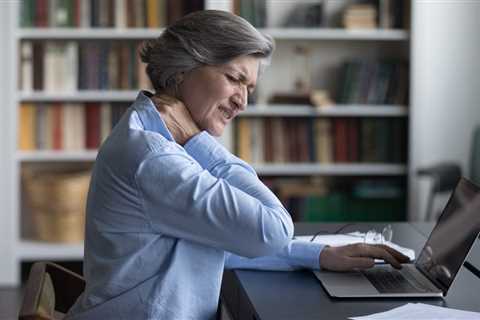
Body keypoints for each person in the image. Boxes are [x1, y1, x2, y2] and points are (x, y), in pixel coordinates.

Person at [65, 10, 409, 320]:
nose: (242, 101)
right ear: (183, 69)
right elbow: (273, 231)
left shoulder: (150, 133)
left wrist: (319, 256)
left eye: (249, 88)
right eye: (234, 78)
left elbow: (217, 244)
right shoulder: (155, 157)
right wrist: (200, 143)